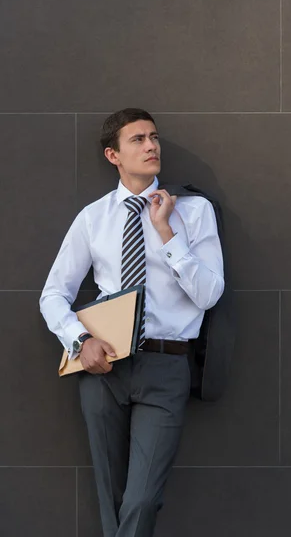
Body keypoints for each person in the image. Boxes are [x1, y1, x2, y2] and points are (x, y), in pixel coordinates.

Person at [39, 108, 224, 537]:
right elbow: (53, 295)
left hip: (167, 365)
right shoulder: (94, 217)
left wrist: (166, 233)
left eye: (154, 137)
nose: (151, 146)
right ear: (113, 154)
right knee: (112, 493)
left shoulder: (193, 212)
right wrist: (80, 340)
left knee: (142, 498)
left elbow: (210, 295)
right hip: (104, 366)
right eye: (138, 139)